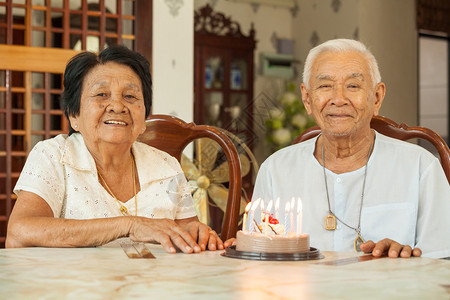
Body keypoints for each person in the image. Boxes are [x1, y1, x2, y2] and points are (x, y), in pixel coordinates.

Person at [6, 45, 233, 253]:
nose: (117, 106)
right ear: (74, 115)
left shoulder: (167, 165)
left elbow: (188, 235)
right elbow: (19, 233)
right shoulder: (53, 155)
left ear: (144, 118)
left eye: (130, 96)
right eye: (101, 95)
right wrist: (130, 225)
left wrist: (200, 236)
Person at [252, 39, 450, 258]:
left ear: (377, 97)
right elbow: (258, 256)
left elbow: (442, 262)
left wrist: (407, 260)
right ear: (307, 98)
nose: (338, 99)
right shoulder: (275, 169)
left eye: (353, 86)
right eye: (325, 86)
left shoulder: (421, 168)